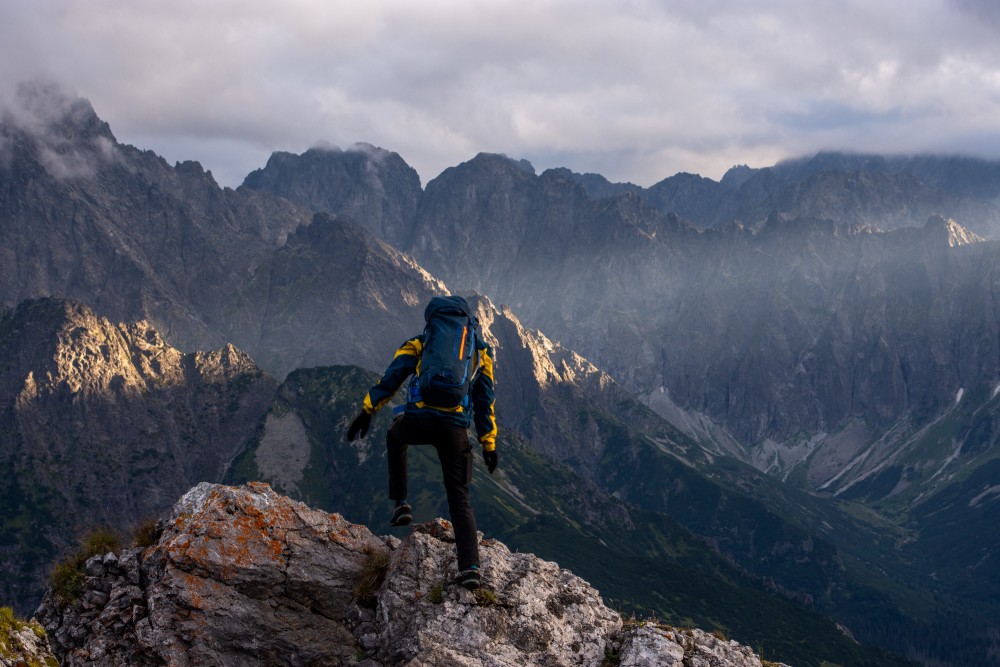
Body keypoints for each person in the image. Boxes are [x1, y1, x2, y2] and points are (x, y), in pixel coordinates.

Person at [346, 295, 497, 590]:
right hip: (454, 430)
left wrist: (367, 411)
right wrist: (488, 444)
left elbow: (391, 380)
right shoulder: (480, 351)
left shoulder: (419, 343)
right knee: (459, 499)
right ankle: (471, 568)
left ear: (433, 321)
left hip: (419, 420)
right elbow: (485, 401)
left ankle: (401, 503)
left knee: (394, 435)